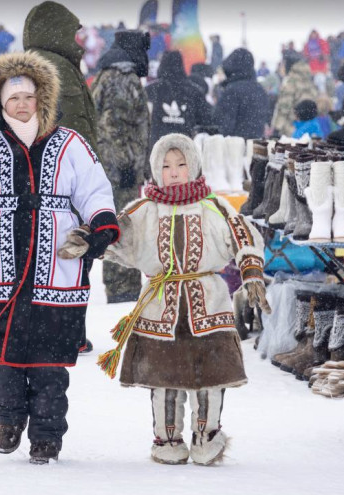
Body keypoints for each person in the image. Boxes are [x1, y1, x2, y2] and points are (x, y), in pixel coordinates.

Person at [0, 51, 118, 465]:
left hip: (55, 260)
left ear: (42, 99)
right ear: (0, 104)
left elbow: (94, 189)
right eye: (13, 98)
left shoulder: (70, 142)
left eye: (28, 96)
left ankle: (46, 435)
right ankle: (9, 417)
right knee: (0, 358)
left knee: (49, 361)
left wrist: (101, 223)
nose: (21, 104)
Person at [102, 133, 270, 466]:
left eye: (180, 164)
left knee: (211, 374)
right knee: (163, 375)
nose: (174, 171)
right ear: (155, 169)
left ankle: (207, 437)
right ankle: (167, 440)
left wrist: (251, 271)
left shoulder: (213, 204)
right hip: (159, 304)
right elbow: (117, 233)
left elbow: (242, 233)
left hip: (208, 301)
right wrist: (92, 239)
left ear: (192, 166)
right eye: (165, 166)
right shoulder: (144, 208)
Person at [92, 30, 151, 304]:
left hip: (110, 165)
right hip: (120, 169)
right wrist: (127, 162)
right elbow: (114, 123)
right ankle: (122, 286)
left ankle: (120, 283)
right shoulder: (123, 78)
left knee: (114, 223)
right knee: (122, 224)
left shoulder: (108, 74)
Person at [24, 1, 99, 149]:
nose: (75, 40)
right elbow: (74, 121)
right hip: (68, 160)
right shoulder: (58, 66)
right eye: (71, 33)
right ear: (57, 32)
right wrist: (92, 159)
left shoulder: (33, 60)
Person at [146, 51, 213, 148]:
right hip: (186, 148)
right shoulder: (194, 91)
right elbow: (207, 121)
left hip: (157, 148)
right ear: (182, 65)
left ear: (162, 65)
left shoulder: (151, 90)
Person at [214, 48, 270, 139]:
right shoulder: (260, 89)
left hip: (233, 146)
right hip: (255, 144)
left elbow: (224, 124)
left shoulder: (232, 90)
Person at [272, 53, 319, 138]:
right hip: (308, 127)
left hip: (291, 127)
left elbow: (284, 107)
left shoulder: (291, 83)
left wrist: (277, 128)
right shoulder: (309, 81)